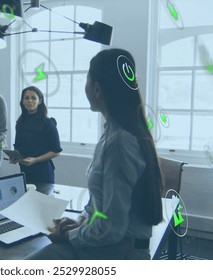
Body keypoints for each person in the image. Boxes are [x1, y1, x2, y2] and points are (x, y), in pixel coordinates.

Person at [28, 48, 163, 260]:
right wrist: (81, 219)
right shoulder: (115, 131)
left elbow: (111, 229)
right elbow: (100, 200)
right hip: (115, 244)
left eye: (86, 80)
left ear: (97, 89)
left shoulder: (119, 142)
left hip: (120, 252)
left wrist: (70, 235)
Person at [9, 86, 62, 193]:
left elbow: (56, 151)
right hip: (25, 171)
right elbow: (17, 146)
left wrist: (35, 160)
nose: (30, 101)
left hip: (43, 173)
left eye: (33, 98)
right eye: (26, 98)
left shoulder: (48, 123)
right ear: (22, 101)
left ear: (40, 101)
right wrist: (15, 157)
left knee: (42, 206)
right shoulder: (20, 123)